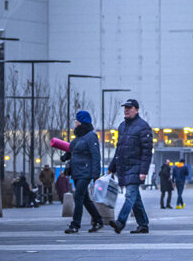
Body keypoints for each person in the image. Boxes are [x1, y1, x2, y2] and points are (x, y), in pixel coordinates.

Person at [108, 99, 153, 234]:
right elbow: (119, 149)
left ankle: (120, 222)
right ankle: (143, 224)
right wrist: (112, 166)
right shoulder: (122, 126)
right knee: (135, 198)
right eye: (125, 108)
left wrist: (143, 171)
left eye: (130, 108)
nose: (126, 110)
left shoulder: (143, 127)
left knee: (130, 196)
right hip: (125, 167)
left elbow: (147, 152)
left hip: (136, 168)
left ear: (136, 110)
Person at [61, 111, 105, 234]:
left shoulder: (91, 136)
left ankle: (75, 225)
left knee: (78, 196)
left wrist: (96, 174)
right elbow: (72, 150)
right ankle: (98, 220)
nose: (75, 123)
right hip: (76, 172)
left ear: (82, 122)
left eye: (77, 121)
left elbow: (96, 155)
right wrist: (65, 156)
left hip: (85, 172)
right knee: (85, 198)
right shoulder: (78, 138)